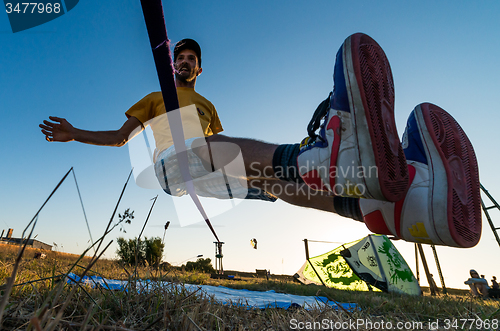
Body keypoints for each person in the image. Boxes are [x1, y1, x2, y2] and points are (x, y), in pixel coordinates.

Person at [40, 33, 482, 249]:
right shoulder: (157, 96)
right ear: (171, 65)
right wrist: (74, 133)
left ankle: (384, 207)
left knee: (281, 186)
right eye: (180, 59)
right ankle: (332, 159)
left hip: (207, 166)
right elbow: (121, 139)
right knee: (216, 150)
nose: (184, 63)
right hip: (173, 165)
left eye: (191, 60)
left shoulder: (207, 104)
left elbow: (229, 149)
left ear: (199, 69)